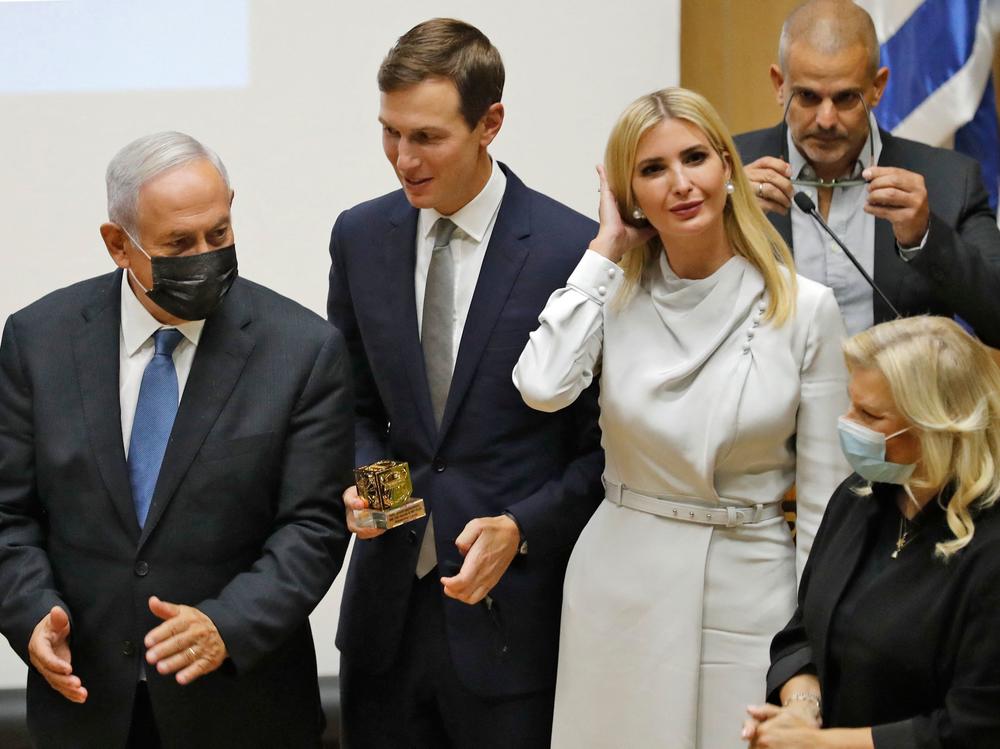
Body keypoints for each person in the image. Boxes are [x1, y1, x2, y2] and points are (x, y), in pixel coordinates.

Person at [513, 87, 852, 749]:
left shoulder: (805, 308)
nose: (680, 182)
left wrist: (808, 650)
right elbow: (542, 386)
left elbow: (825, 505)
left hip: (751, 584)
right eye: (652, 169)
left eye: (695, 157)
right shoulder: (611, 291)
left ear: (727, 166)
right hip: (618, 584)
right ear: (628, 192)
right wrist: (606, 246)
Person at [0, 132, 354, 748]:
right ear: (118, 245)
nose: (205, 256)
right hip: (85, 706)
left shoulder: (302, 350)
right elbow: (7, 514)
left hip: (243, 708)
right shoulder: (38, 341)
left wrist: (228, 623)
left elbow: (313, 526)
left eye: (218, 234)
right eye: (178, 244)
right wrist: (29, 613)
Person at [327, 18, 604, 748]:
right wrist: (374, 489)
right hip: (385, 619)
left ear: (490, 124)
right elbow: (351, 404)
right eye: (390, 132)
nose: (402, 159)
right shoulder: (359, 235)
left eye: (427, 137)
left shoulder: (570, 249)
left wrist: (522, 529)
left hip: (514, 625)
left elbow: (603, 451)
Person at [745, 315, 1000, 748]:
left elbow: (976, 727)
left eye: (869, 414)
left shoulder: (990, 547)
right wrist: (802, 708)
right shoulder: (858, 496)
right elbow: (802, 631)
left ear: (936, 427)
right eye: (850, 404)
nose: (847, 423)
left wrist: (822, 745)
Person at [734, 0, 1000, 345]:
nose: (826, 119)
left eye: (846, 98)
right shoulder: (727, 170)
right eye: (808, 96)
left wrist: (925, 237)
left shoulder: (949, 179)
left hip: (896, 397)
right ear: (779, 85)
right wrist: (725, 219)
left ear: (877, 87)